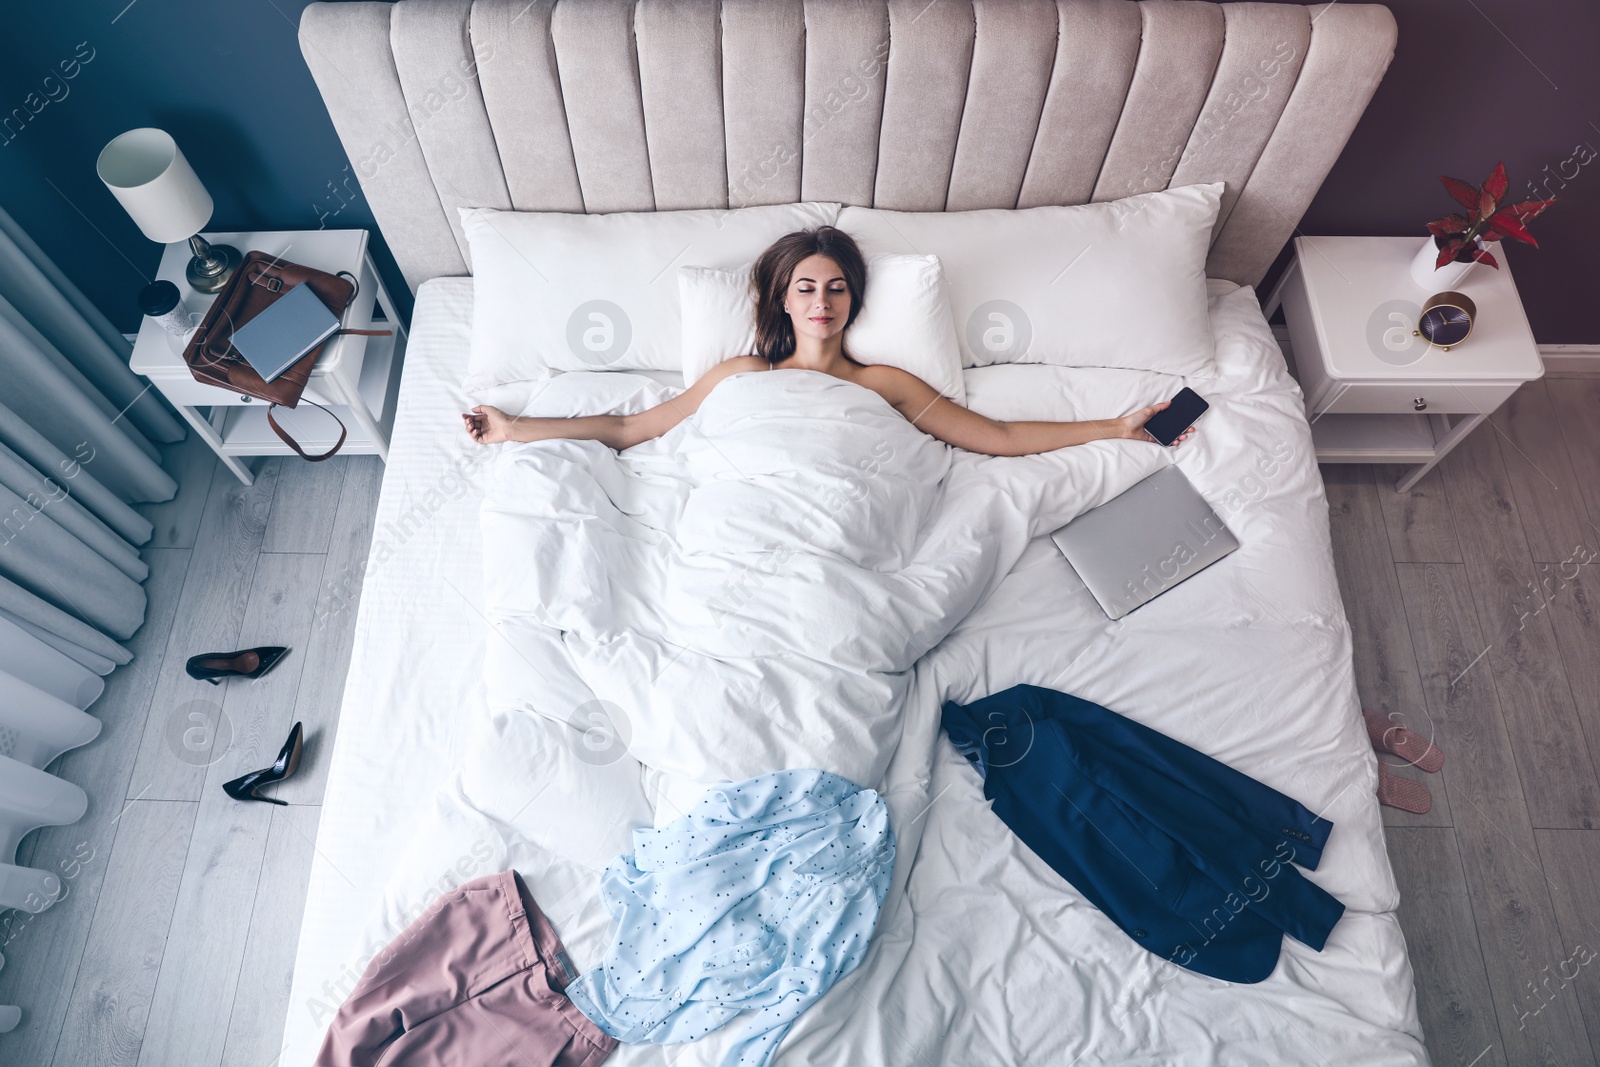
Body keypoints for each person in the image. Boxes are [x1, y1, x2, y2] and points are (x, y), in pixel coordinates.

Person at [462, 227, 1195, 455]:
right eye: (807, 287)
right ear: (783, 298)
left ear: (854, 300)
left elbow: (996, 434)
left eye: (837, 287)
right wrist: (515, 426)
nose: (822, 301)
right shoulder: (741, 373)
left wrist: (1114, 427)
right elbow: (630, 426)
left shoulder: (883, 383)